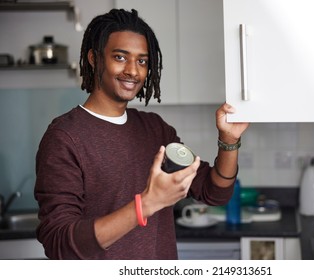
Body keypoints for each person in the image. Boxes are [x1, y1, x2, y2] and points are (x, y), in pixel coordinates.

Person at [34, 8, 249, 260]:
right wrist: (146, 204)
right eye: (120, 57)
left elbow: (215, 192)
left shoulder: (154, 129)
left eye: (142, 61)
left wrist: (229, 141)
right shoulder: (64, 137)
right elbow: (60, 243)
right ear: (94, 58)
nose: (133, 71)